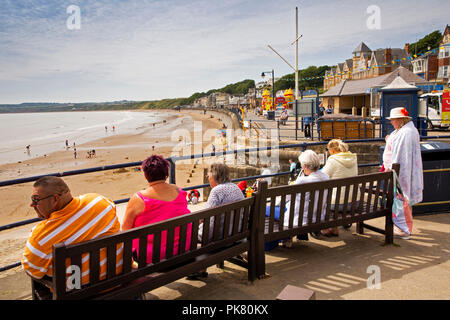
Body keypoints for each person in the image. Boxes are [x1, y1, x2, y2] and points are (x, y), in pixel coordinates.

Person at [22, 176, 122, 288]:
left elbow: (31, 271)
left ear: (55, 199)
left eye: (36, 200)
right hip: (118, 280)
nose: (32, 204)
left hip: (79, 293)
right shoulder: (100, 202)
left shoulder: (41, 237)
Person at [122, 155, 192, 263]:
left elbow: (125, 231)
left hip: (152, 258)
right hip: (182, 250)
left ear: (145, 175)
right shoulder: (178, 191)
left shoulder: (139, 199)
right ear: (166, 174)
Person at [266, 150, 329, 247]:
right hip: (317, 217)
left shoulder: (302, 180)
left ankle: (279, 240)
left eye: (303, 166)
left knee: (266, 209)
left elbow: (286, 197)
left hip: (299, 220)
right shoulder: (326, 177)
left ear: (306, 166)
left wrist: (276, 202)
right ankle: (287, 238)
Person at [192, 163, 245, 279]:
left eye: (209, 176)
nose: (208, 178)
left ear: (215, 176)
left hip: (220, 237)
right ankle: (201, 268)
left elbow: (207, 216)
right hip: (235, 233)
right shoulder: (236, 188)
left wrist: (197, 224)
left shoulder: (216, 191)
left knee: (191, 235)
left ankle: (199, 268)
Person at [382, 107, 423, 239]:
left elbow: (398, 154)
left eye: (393, 120)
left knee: (402, 199)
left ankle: (403, 228)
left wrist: (392, 169)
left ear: (400, 120)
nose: (391, 122)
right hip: (409, 170)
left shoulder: (404, 133)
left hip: (402, 172)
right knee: (406, 199)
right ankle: (404, 226)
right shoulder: (409, 130)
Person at [320, 139, 358, 237]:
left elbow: (322, 177)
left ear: (332, 151)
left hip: (338, 205)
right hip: (355, 202)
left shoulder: (333, 160)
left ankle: (326, 228)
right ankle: (334, 227)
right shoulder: (353, 158)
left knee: (319, 200)